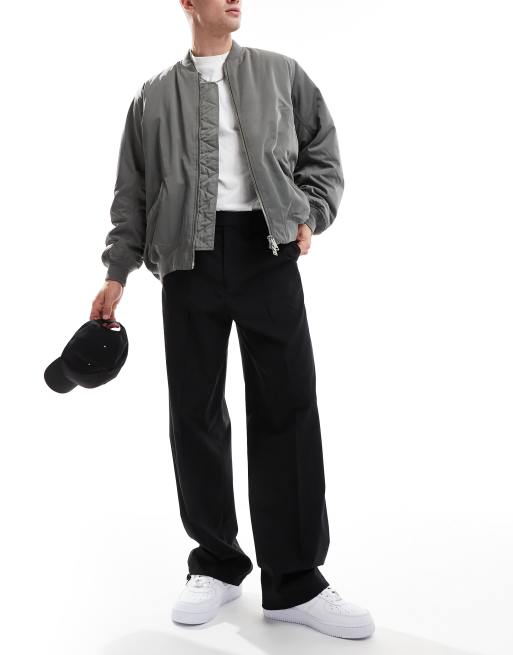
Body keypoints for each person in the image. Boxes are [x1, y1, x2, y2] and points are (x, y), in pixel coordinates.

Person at [90, 0, 375, 640]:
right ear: (187, 3)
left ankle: (295, 582)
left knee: (288, 407)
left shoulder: (282, 72)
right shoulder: (151, 96)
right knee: (195, 412)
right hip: (185, 261)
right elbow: (132, 191)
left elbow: (323, 153)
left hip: (267, 252)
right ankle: (216, 564)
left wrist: (309, 213)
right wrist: (117, 271)